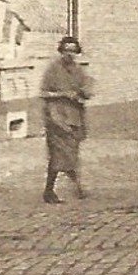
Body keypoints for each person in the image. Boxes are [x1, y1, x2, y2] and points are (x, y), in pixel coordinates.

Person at [40, 35, 93, 204]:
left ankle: (76, 187)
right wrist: (63, 94)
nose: (69, 54)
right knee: (57, 156)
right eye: (66, 50)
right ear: (61, 51)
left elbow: (86, 90)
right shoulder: (53, 70)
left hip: (74, 117)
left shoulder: (78, 71)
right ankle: (50, 191)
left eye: (73, 51)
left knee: (71, 155)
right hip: (56, 116)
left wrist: (84, 93)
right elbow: (44, 93)